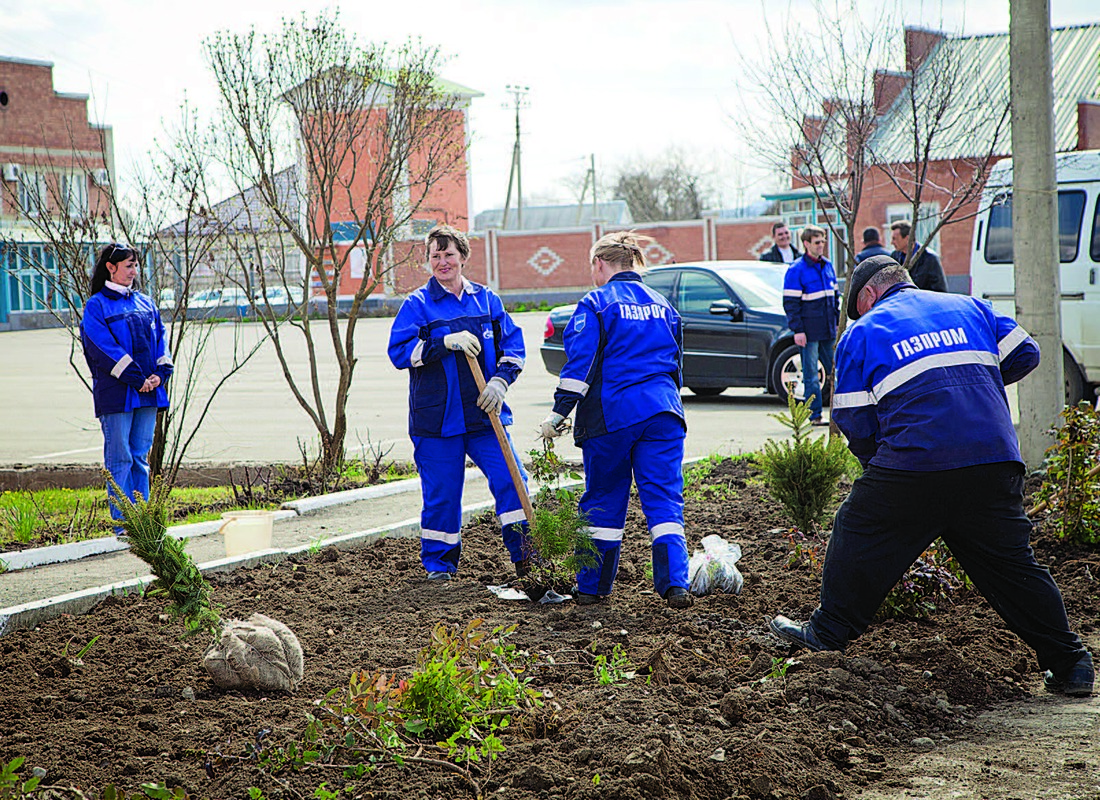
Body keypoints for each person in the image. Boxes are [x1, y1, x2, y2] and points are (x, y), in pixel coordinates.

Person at [769, 255, 1094, 698]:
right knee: (1011, 565)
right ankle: (1072, 664)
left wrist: (878, 465)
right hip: (993, 460)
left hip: (914, 464)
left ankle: (827, 632)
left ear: (867, 296)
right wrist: (978, 388)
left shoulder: (864, 331)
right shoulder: (969, 307)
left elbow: (852, 418)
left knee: (858, 526)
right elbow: (1027, 353)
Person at [539, 231, 692, 609]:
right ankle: (675, 585)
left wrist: (559, 413)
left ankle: (592, 588)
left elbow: (580, 366)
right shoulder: (663, 305)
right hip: (665, 414)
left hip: (614, 416)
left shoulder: (596, 303)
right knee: (664, 500)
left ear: (600, 264)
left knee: (604, 499)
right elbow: (677, 366)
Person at [388, 224, 536, 581]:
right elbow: (399, 353)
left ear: (463, 258)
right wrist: (444, 343)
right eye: (435, 256)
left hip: (486, 418)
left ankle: (529, 561)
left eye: (449, 254)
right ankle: (440, 568)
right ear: (427, 262)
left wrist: (500, 382)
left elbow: (513, 349)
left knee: (512, 482)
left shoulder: (487, 301)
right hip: (437, 422)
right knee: (442, 495)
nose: (442, 262)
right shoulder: (417, 306)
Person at [80, 243, 173, 531]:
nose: (134, 271)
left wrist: (160, 374)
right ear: (111, 267)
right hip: (117, 395)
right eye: (128, 266)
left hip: (147, 394)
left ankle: (143, 521)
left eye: (136, 266)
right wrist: (137, 378)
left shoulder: (146, 303)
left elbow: (161, 341)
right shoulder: (97, 305)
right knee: (119, 458)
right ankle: (124, 525)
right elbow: (101, 348)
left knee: (139, 457)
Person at [782, 225, 837, 427]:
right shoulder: (796, 270)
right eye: (817, 242)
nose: (821, 245)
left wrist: (837, 325)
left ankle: (839, 414)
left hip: (828, 330)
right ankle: (815, 415)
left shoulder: (828, 265)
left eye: (823, 241)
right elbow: (791, 304)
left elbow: (835, 298)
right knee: (811, 375)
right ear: (806, 244)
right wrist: (798, 330)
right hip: (809, 332)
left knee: (837, 371)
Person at [889, 219, 948, 292]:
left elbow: (940, 291)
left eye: (895, 239)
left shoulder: (929, 258)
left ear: (908, 238)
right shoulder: (894, 257)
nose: (892, 242)